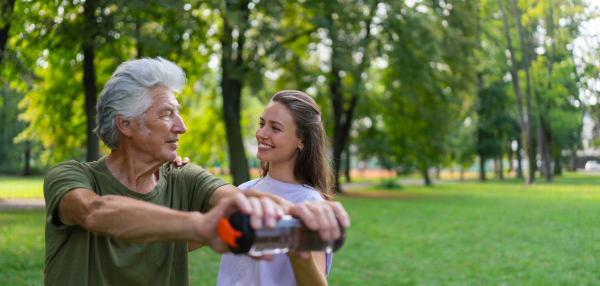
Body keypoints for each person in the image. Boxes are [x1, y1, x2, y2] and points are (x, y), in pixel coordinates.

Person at [43, 58, 350, 286]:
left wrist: (298, 216)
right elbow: (95, 212)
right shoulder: (70, 176)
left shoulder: (184, 179)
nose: (182, 126)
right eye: (167, 114)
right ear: (126, 124)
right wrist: (200, 226)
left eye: (178, 112)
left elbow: (241, 198)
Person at [217, 90, 337, 286]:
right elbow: (185, 244)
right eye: (262, 124)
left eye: (275, 128)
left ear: (302, 140)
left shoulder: (310, 204)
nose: (261, 134)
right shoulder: (244, 190)